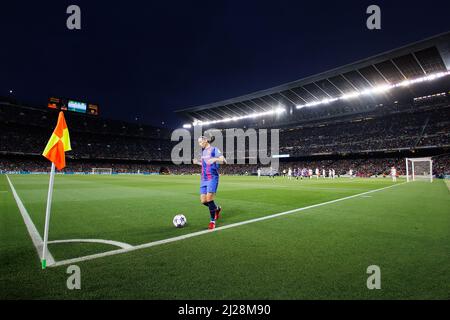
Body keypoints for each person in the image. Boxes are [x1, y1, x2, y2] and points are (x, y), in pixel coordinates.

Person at [193, 136, 227, 230]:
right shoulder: (203, 152)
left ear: (205, 140)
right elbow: (205, 164)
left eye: (201, 142)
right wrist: (198, 163)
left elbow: (224, 160)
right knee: (203, 201)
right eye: (199, 142)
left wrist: (215, 159)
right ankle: (216, 209)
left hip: (212, 178)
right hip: (203, 179)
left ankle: (212, 221)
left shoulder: (214, 149)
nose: (200, 144)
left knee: (209, 199)